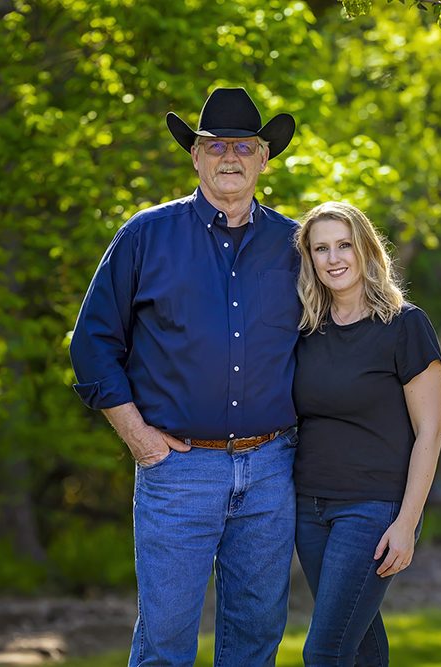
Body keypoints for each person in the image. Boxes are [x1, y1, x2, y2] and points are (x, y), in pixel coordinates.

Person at [69, 87, 302, 667]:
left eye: (244, 146)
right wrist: (139, 439)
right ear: (194, 156)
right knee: (165, 645)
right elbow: (92, 344)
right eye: (214, 145)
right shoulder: (147, 235)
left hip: (272, 470)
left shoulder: (294, 245)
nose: (230, 157)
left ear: (264, 158)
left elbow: (338, 335)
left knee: (255, 644)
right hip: (177, 471)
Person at [291, 201, 441, 667]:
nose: (333, 258)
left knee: (324, 653)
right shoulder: (305, 329)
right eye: (321, 248)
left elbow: (431, 430)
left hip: (374, 509)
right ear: (310, 258)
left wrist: (406, 523)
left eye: (344, 245)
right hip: (309, 508)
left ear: (365, 250)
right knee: (360, 646)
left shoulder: (404, 324)